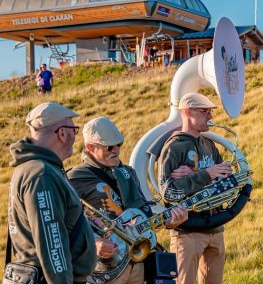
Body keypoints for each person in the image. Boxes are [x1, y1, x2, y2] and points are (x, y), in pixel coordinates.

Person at [68, 117, 189, 284]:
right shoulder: (75, 177)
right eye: (108, 146)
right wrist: (93, 243)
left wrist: (170, 221)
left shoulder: (128, 172)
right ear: (89, 147)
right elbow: (67, 221)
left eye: (119, 144)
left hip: (137, 261)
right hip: (105, 268)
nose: (116, 150)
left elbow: (144, 212)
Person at [6, 102, 97, 283]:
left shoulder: (34, 168)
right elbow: (52, 244)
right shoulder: (42, 175)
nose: (74, 135)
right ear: (62, 133)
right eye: (74, 130)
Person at [158, 92, 233, 284]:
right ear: (187, 113)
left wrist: (200, 175)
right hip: (187, 232)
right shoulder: (174, 147)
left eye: (210, 111)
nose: (211, 116)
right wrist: (206, 174)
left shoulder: (209, 144)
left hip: (215, 228)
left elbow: (225, 181)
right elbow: (168, 192)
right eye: (204, 111)